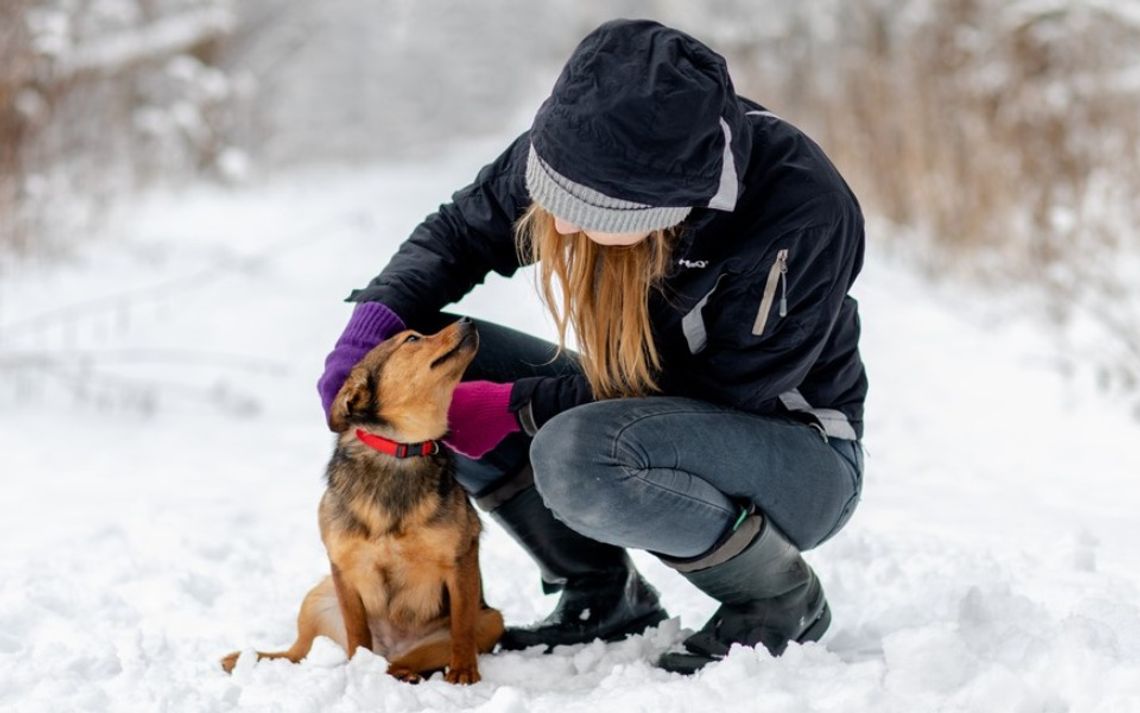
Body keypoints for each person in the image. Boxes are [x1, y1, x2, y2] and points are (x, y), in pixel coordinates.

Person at [317, 18, 866, 674]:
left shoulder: (800, 212)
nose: (557, 221)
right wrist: (367, 334)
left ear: (656, 210)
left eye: (588, 213)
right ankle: (601, 595)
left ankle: (778, 598)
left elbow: (714, 389)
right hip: (658, 403)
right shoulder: (584, 141)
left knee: (577, 454)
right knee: (448, 365)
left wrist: (519, 406)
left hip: (797, 453)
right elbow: (460, 233)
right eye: (551, 194)